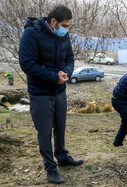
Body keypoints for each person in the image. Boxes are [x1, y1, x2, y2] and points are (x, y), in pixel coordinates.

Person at [19, 5, 83, 184]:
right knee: (45, 132)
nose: (66, 29)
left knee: (60, 127)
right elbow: (27, 64)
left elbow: (69, 58)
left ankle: (62, 156)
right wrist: (53, 77)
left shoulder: (64, 36)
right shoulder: (31, 34)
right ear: (53, 21)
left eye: (68, 26)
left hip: (59, 91)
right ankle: (50, 167)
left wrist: (66, 73)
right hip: (41, 93)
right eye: (64, 25)